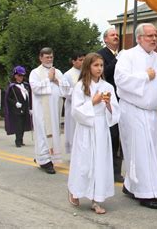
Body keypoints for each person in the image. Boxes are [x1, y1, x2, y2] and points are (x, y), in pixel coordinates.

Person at [114, 23, 157, 210]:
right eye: (149, 36)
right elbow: (120, 79)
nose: (154, 38)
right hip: (133, 110)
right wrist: (144, 76)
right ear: (139, 38)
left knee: (150, 151)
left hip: (152, 113)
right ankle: (146, 193)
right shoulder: (127, 56)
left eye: (155, 35)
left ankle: (131, 185)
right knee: (140, 152)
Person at [67, 53, 120, 214]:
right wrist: (93, 102)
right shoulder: (81, 86)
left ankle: (97, 200)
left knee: (100, 162)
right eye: (96, 65)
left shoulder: (108, 87)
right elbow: (76, 111)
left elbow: (116, 112)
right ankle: (75, 190)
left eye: (101, 65)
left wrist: (109, 105)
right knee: (84, 162)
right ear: (88, 67)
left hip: (101, 127)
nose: (99, 68)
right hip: (86, 129)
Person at [30, 47, 70, 174]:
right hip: (42, 111)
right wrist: (48, 79)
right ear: (40, 58)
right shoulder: (35, 72)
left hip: (55, 110)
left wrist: (55, 79)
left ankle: (48, 158)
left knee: (54, 134)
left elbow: (66, 88)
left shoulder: (57, 72)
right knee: (43, 134)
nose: (49, 59)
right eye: (47, 57)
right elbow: (35, 88)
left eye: (51, 57)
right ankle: (45, 161)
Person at [97, 27, 124, 183]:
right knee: (112, 136)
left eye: (116, 34)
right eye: (112, 35)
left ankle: (117, 168)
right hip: (108, 98)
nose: (116, 36)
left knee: (120, 136)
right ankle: (112, 171)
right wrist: (116, 61)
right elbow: (104, 73)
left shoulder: (122, 54)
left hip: (122, 99)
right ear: (105, 39)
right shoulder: (101, 54)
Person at [4, 66, 33, 147]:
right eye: (19, 75)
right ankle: (18, 141)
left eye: (22, 76)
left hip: (25, 108)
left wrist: (30, 107)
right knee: (18, 126)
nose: (21, 77)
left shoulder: (26, 85)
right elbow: (8, 98)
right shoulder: (12, 86)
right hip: (16, 109)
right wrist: (15, 103)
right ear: (15, 76)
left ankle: (21, 140)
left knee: (23, 125)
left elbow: (29, 97)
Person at [63, 52, 85, 154]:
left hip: (85, 107)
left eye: (84, 60)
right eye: (80, 60)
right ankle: (74, 152)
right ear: (73, 61)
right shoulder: (67, 75)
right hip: (73, 106)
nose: (83, 62)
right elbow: (65, 92)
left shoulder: (86, 73)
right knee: (73, 129)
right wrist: (79, 94)